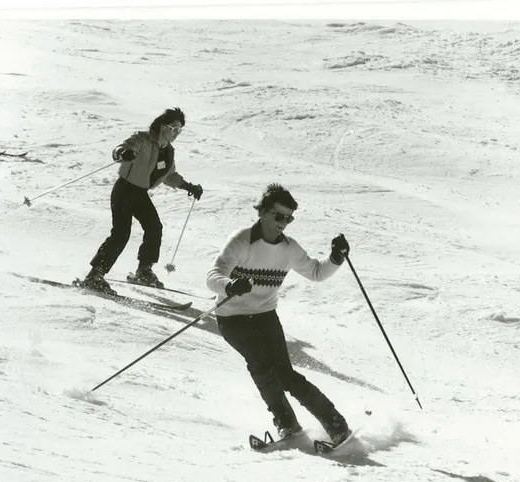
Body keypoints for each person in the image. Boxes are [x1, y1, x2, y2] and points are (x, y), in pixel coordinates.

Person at [206, 183, 352, 444]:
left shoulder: (288, 248)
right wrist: (229, 285)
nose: (283, 223)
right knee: (261, 366)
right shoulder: (242, 240)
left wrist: (336, 259)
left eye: (288, 218)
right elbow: (213, 276)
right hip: (232, 316)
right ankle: (287, 423)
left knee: (286, 374)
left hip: (265, 314)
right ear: (262, 212)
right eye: (278, 216)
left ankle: (336, 424)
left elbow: (316, 272)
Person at [81, 107, 203, 294]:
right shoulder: (143, 139)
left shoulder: (168, 151)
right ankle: (94, 275)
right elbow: (122, 149)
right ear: (163, 126)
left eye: (179, 130)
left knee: (154, 227)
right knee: (121, 234)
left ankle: (144, 271)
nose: (176, 134)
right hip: (124, 189)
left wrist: (189, 187)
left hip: (140, 194)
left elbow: (170, 176)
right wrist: (123, 153)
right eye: (173, 129)